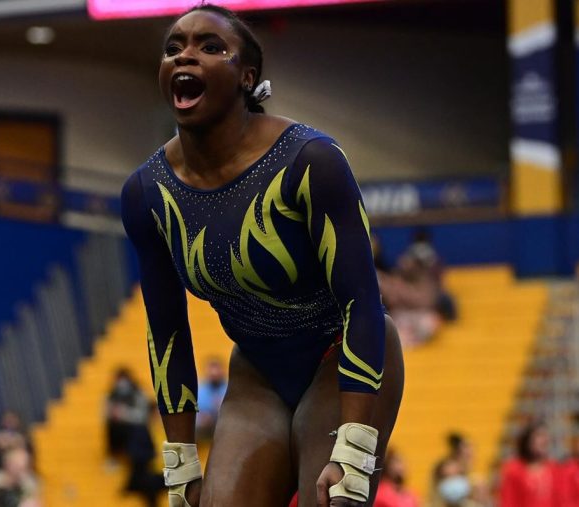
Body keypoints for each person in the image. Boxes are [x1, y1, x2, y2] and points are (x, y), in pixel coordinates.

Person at [120, 4, 404, 506]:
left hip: (338, 355)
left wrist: (356, 447)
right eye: (174, 47)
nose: (186, 54)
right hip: (256, 371)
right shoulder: (146, 193)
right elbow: (166, 329)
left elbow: (362, 299)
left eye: (210, 47)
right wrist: (180, 458)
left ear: (246, 77)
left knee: (330, 501)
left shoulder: (311, 160)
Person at [498, 422, 560, 507]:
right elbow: (508, 502)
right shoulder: (514, 469)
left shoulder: (554, 468)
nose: (544, 440)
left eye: (545, 436)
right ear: (527, 441)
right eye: (539, 436)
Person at [196, 356, 228, 440]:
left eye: (217, 369)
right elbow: (197, 411)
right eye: (211, 369)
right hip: (205, 428)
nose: (214, 373)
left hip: (225, 425)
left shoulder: (229, 388)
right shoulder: (200, 390)